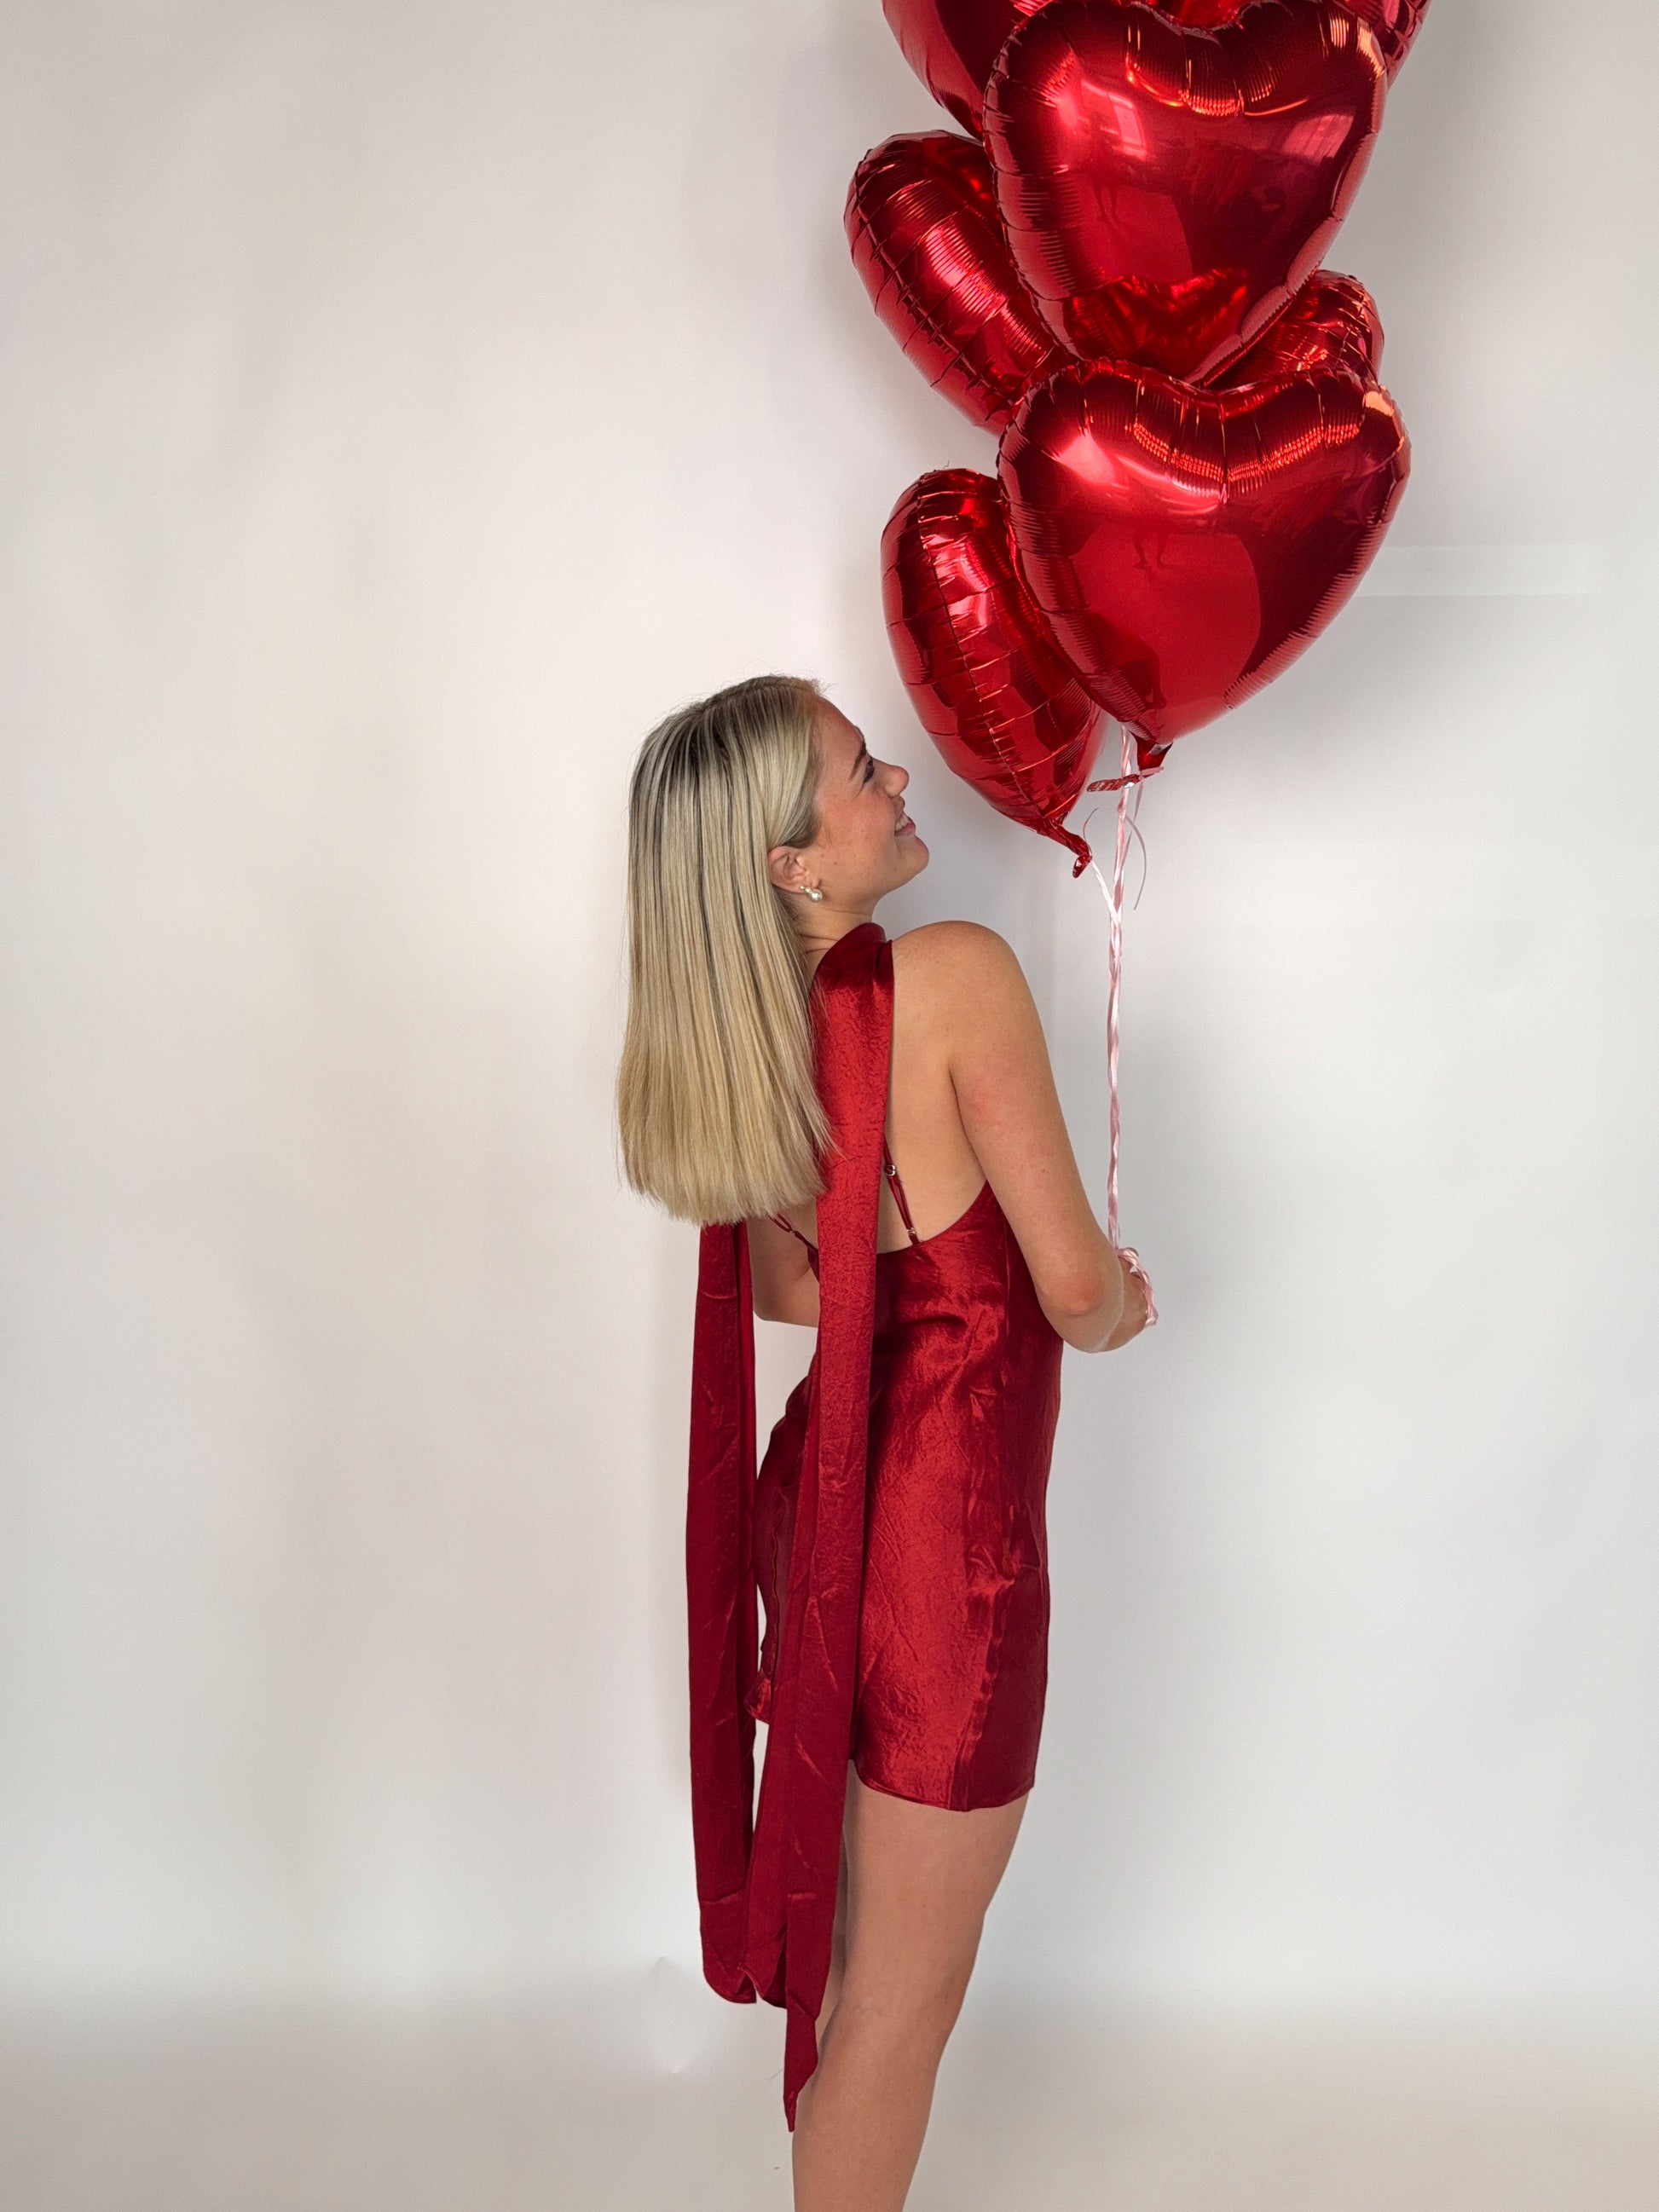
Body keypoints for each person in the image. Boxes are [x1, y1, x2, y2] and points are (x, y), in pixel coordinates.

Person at [617, 673, 1153, 2211]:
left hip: (822, 1497)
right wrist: (1128, 1299)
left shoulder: (743, 1035)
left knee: (864, 1978)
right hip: (939, 1540)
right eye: (861, 770)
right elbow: (1073, 1291)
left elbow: (800, 1291)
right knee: (895, 2012)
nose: (900, 779)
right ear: (790, 862)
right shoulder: (953, 976)